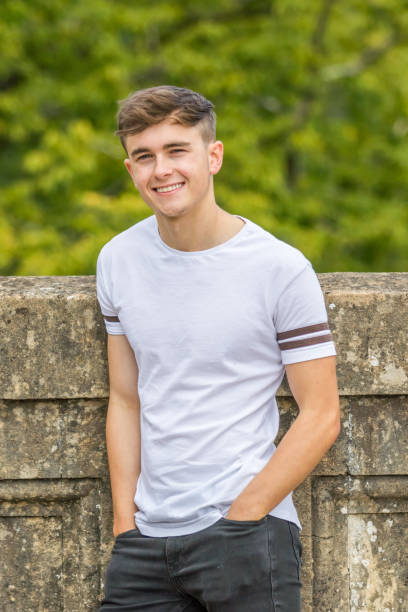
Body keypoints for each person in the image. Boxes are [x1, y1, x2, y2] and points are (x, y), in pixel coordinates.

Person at [96, 85, 340, 611]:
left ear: (213, 155)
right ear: (130, 169)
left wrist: (245, 515)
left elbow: (321, 414)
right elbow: (126, 399)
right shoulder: (118, 260)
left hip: (246, 536)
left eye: (176, 150)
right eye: (144, 156)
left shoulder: (279, 268)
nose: (160, 170)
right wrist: (125, 526)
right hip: (145, 545)